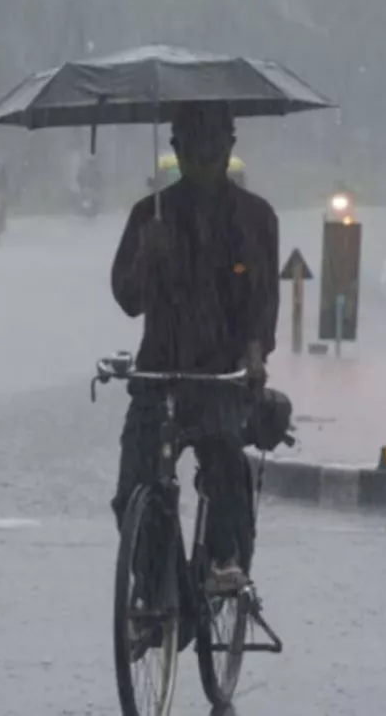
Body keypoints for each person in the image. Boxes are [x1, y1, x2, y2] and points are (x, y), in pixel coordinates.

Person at [109, 102, 279, 592]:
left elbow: (263, 301)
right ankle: (156, 582)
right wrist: (147, 256)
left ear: (229, 147)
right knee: (134, 488)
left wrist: (254, 352)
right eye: (192, 150)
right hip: (159, 371)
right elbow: (128, 299)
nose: (203, 162)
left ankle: (223, 559)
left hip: (220, 374)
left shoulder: (256, 219)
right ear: (176, 150)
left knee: (225, 460)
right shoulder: (149, 216)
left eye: (213, 149)